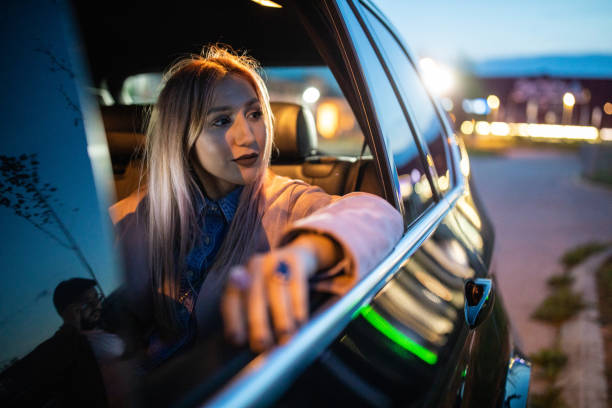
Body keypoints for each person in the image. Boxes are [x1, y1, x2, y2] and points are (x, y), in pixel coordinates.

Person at [110, 45, 403, 364]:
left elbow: (379, 215)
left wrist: (303, 254)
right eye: (221, 121)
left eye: (255, 113)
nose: (248, 136)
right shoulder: (131, 217)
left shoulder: (287, 200)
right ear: (181, 137)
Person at [0, 278, 108, 407]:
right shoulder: (67, 346)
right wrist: (71, 328)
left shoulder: (103, 326)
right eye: (88, 303)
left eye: (97, 298)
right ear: (72, 312)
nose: (97, 306)